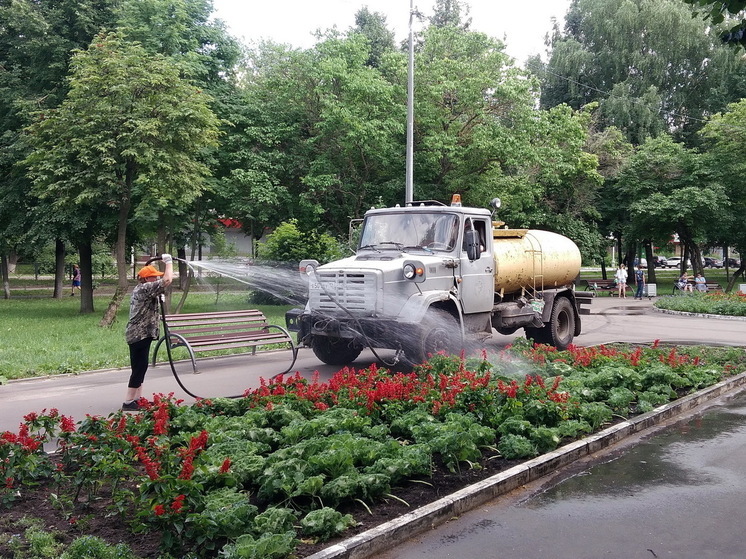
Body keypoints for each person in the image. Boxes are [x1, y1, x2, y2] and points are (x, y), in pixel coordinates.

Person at [123, 254, 173, 411]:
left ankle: (137, 399)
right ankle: (128, 401)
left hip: (140, 334)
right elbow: (167, 280)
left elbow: (165, 280)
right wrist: (169, 262)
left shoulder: (144, 289)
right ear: (146, 279)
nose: (155, 280)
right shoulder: (144, 288)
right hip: (138, 334)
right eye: (153, 277)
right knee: (139, 367)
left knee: (141, 366)